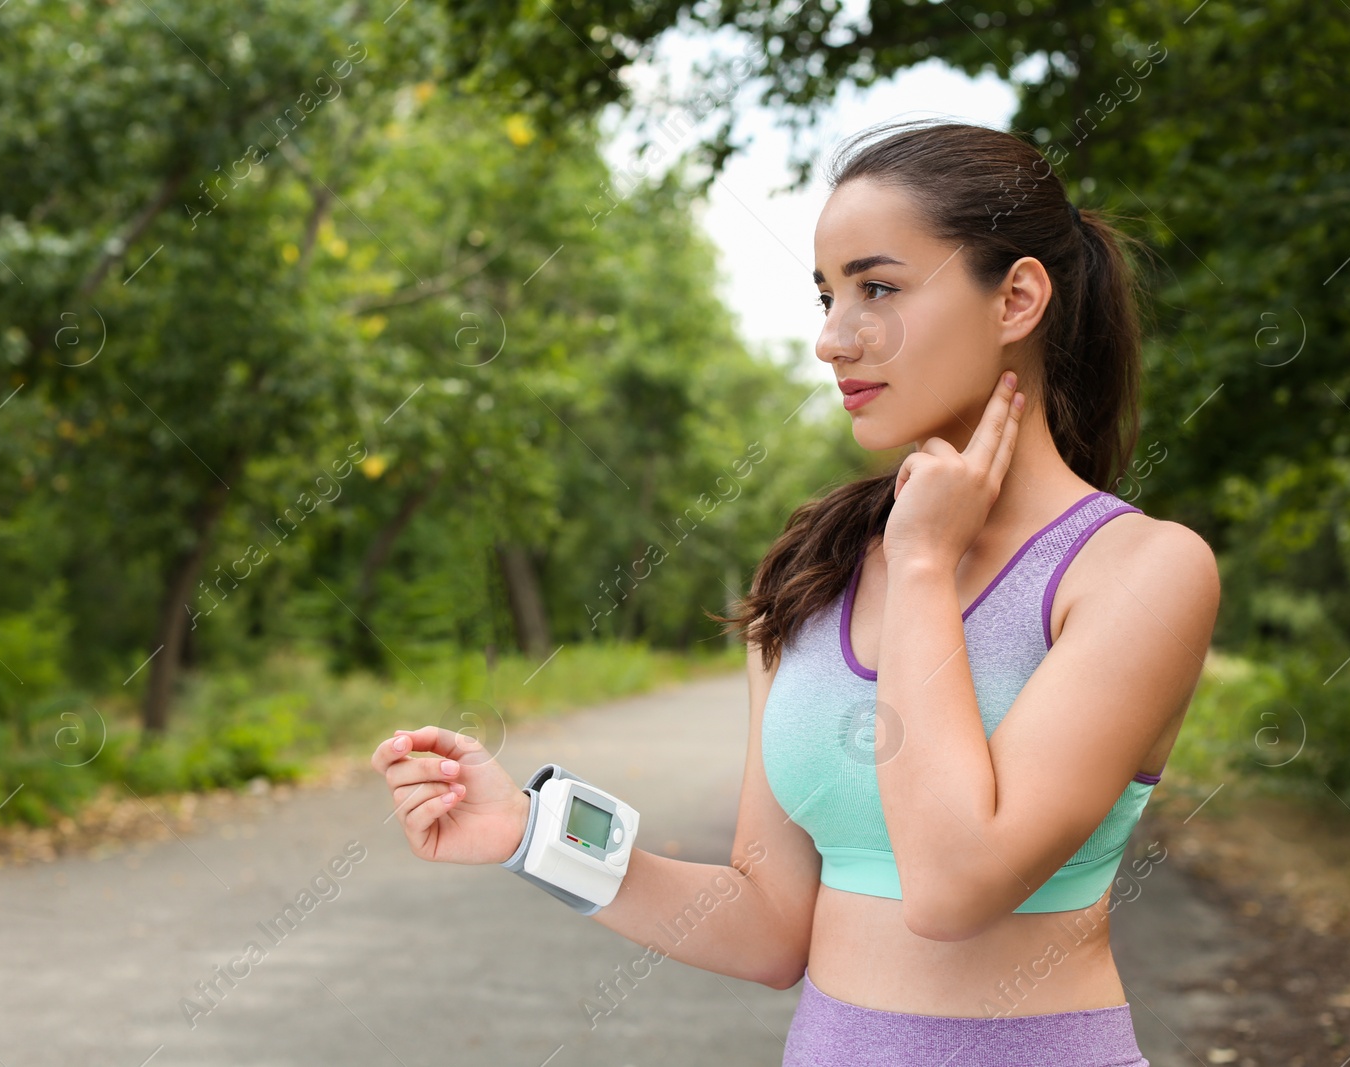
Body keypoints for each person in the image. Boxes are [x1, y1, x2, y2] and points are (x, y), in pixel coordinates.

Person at [371, 118, 1220, 1067]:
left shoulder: (1140, 570)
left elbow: (953, 883)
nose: (830, 340)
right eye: (826, 296)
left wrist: (929, 566)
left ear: (1017, 297)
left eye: (878, 288)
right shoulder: (816, 572)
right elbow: (771, 925)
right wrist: (530, 833)